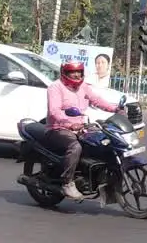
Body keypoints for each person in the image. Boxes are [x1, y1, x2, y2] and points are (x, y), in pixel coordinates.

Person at [45, 60, 123, 201]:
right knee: (75, 147)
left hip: (81, 127)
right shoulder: (55, 88)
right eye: (72, 72)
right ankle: (67, 182)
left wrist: (115, 109)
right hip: (58, 128)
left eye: (78, 72)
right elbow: (54, 111)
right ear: (65, 73)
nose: (76, 75)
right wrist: (69, 124)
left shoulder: (83, 87)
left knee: (103, 141)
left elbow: (97, 100)